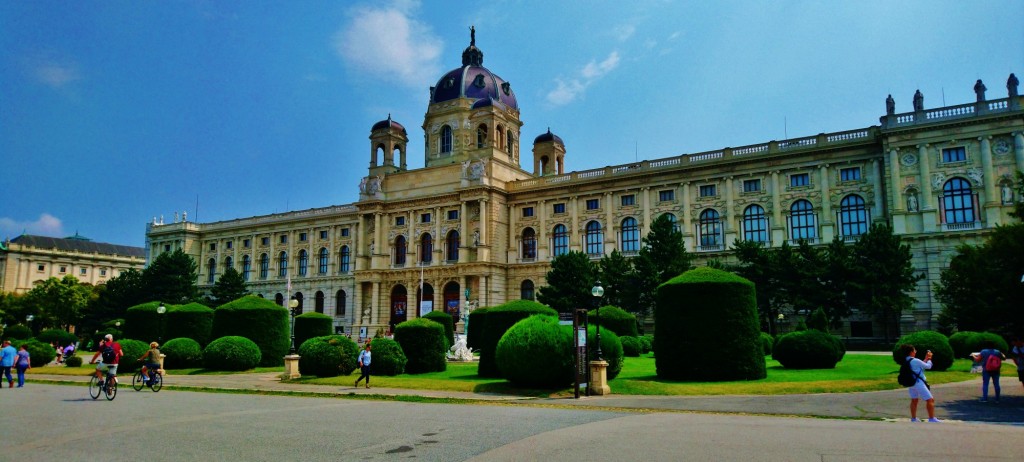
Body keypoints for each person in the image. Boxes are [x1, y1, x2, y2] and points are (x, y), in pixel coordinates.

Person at [899, 344, 939, 422]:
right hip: (918, 383)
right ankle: (931, 418)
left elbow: (919, 367)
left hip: (911, 383)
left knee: (914, 400)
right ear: (911, 352)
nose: (915, 352)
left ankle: (913, 418)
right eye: (914, 350)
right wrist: (930, 359)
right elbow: (928, 366)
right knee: (930, 399)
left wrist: (925, 358)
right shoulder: (915, 360)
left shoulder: (906, 360)